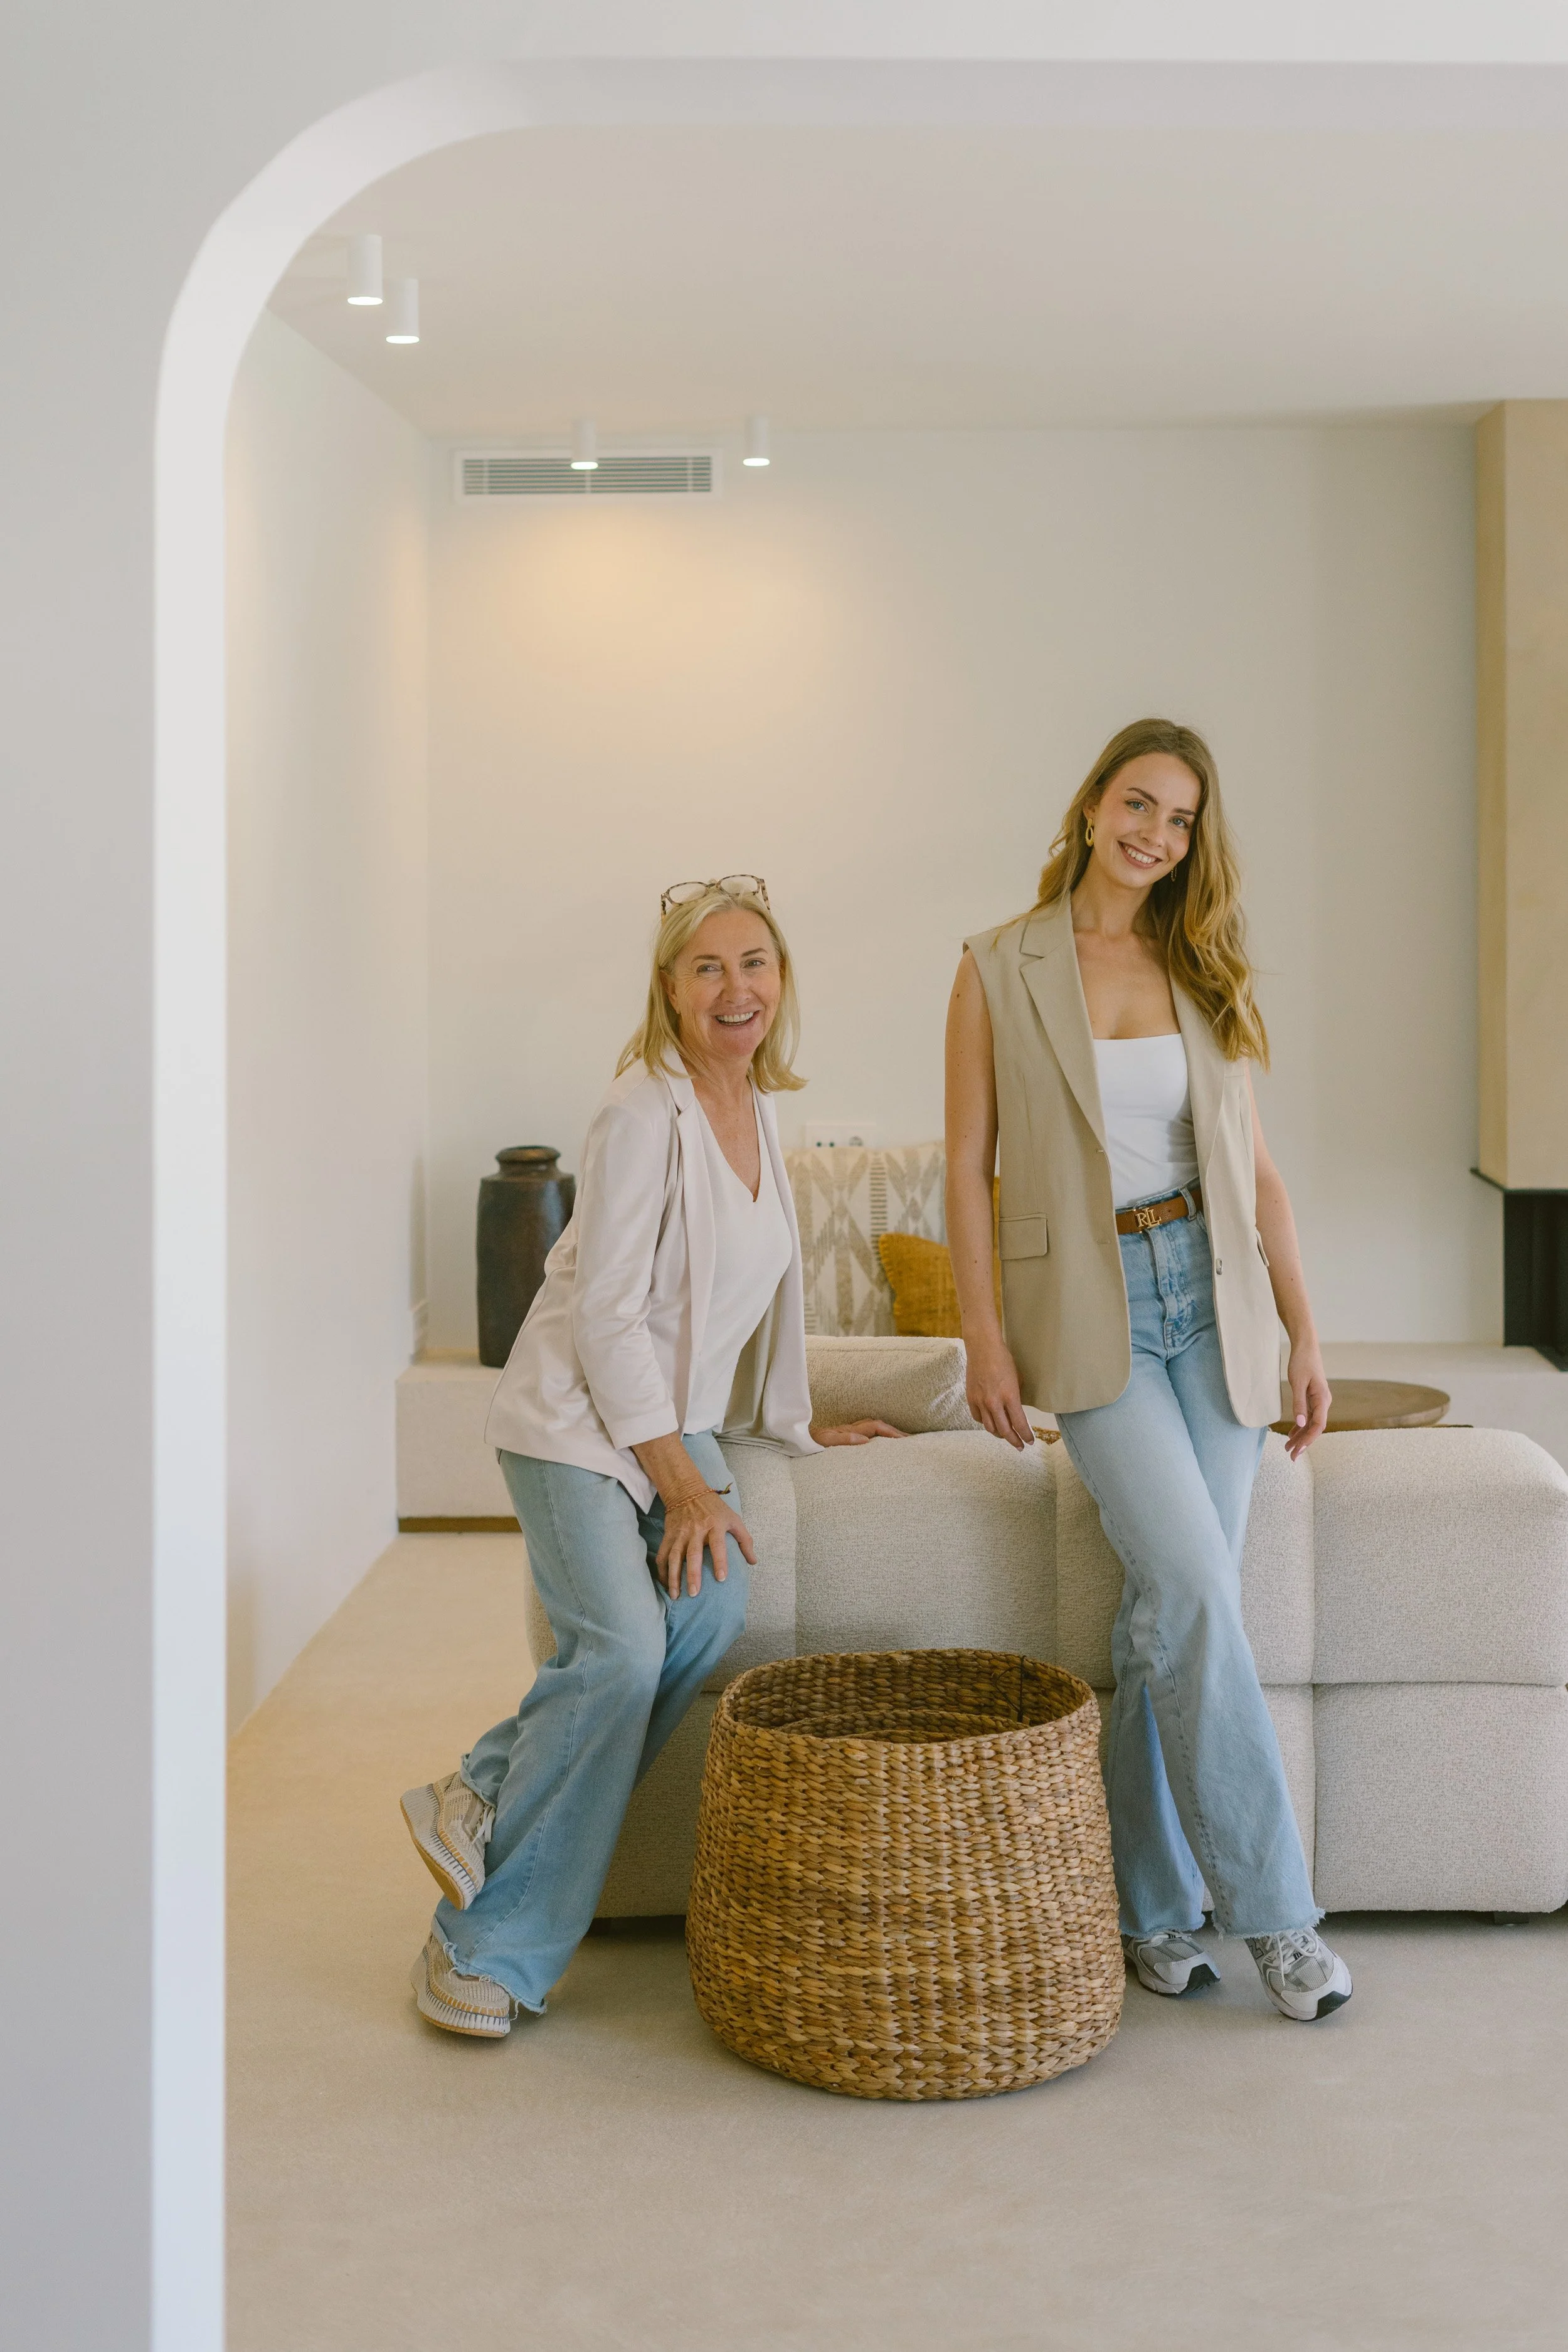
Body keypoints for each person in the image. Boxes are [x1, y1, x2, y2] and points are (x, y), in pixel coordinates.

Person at [401, 876, 903, 2037]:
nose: (739, 989)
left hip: (683, 1425)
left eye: (757, 964)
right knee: (624, 1653)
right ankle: (491, 1949)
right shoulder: (639, 1113)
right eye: (710, 968)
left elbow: (767, 1299)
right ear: (670, 991)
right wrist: (678, 1483)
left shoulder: (766, 1113)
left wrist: (797, 1419)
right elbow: (606, 1320)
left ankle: (481, 1785)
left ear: (783, 981)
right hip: (577, 1425)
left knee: (714, 1605)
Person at [945, 720, 1352, 2023]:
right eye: (1137, 804)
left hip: (1211, 1302)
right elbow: (966, 1165)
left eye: (1177, 821)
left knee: (1166, 1615)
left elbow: (1256, 1171)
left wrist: (1304, 1329)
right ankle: (1279, 1918)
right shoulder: (995, 965)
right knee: (1186, 1586)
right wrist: (982, 1338)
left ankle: (1146, 1903)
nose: (1153, 836)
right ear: (1089, 805)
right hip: (1088, 1315)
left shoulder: (1200, 962)